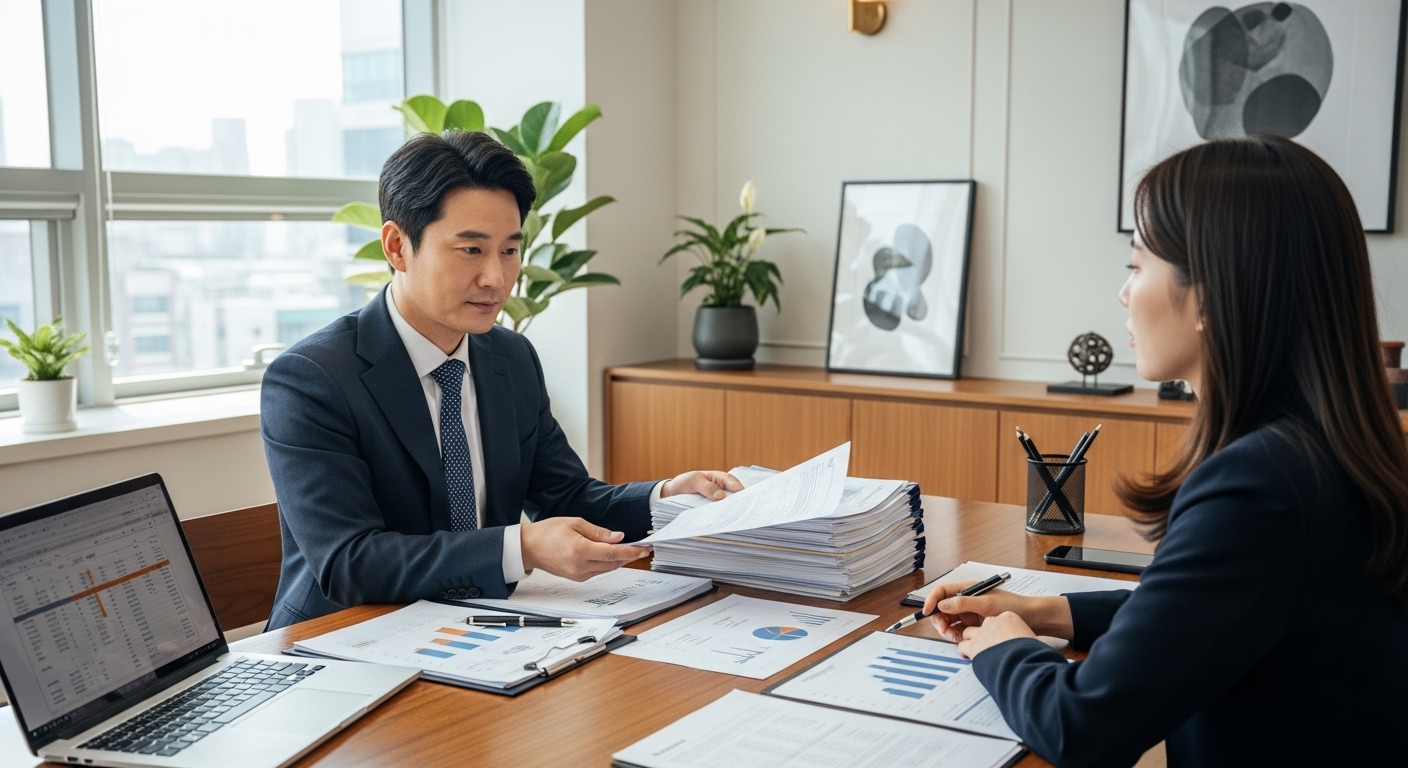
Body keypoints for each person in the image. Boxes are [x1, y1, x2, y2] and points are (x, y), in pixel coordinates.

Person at [923, 136, 1408, 766]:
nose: (1124, 294)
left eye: (1136, 265)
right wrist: (1042, 611)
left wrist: (1002, 647)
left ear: (1208, 295)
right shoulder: (1325, 452)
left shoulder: (1260, 486)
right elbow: (1206, 613)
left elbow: (1082, 727)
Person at [260, 131, 740, 630]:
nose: (496, 277)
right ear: (397, 246)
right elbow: (349, 562)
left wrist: (666, 497)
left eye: (510, 251)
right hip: (345, 637)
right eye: (471, 249)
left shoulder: (510, 357)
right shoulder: (312, 379)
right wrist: (523, 547)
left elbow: (566, 497)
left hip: (482, 626)